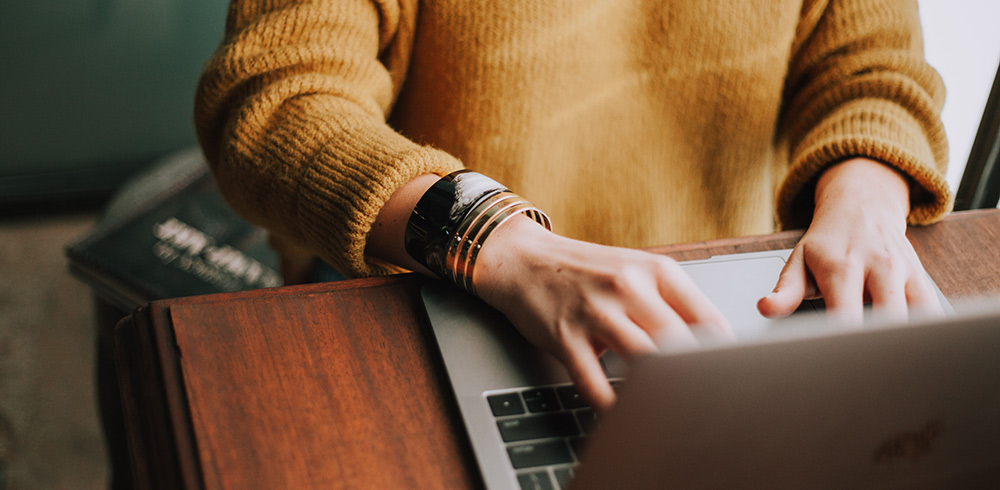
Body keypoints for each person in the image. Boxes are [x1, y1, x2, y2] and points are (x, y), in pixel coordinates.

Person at [195, 0, 952, 410]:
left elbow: (875, 65)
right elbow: (275, 101)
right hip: (439, 293)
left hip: (724, 314)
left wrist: (867, 192)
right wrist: (500, 242)